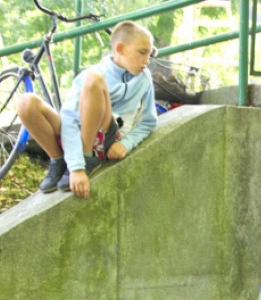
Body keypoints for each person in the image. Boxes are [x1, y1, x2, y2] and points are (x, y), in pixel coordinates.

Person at [16, 20, 158, 199]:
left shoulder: (144, 78)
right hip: (77, 133)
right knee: (26, 103)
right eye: (142, 52)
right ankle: (58, 161)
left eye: (149, 54)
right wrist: (75, 167)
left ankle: (87, 156)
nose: (147, 60)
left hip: (107, 135)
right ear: (120, 49)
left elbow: (148, 121)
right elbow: (69, 119)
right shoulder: (92, 74)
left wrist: (126, 144)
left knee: (94, 80)